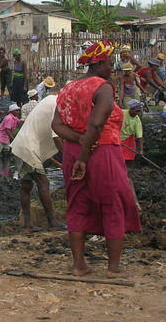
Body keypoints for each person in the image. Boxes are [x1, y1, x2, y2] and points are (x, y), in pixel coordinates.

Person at [51, 40, 141, 278]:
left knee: (77, 204)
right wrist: (86, 150)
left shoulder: (68, 88)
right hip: (102, 151)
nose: (112, 68)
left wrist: (79, 141)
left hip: (73, 151)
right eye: (110, 63)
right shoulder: (103, 87)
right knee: (113, 203)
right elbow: (97, 124)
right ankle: (113, 268)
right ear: (99, 63)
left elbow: (57, 125)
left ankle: (79, 265)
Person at [10, 95, 63, 230]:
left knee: (26, 185)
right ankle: (53, 222)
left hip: (20, 145)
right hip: (29, 148)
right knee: (43, 183)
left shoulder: (51, 99)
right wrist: (69, 160)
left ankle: (28, 224)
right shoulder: (58, 106)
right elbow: (57, 137)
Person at [120, 99, 144, 209]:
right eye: (136, 111)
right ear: (131, 109)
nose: (137, 113)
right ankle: (121, 177)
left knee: (128, 164)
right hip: (118, 140)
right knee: (118, 162)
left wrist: (140, 150)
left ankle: (127, 177)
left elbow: (139, 137)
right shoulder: (121, 113)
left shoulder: (137, 120)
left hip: (129, 140)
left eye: (138, 111)